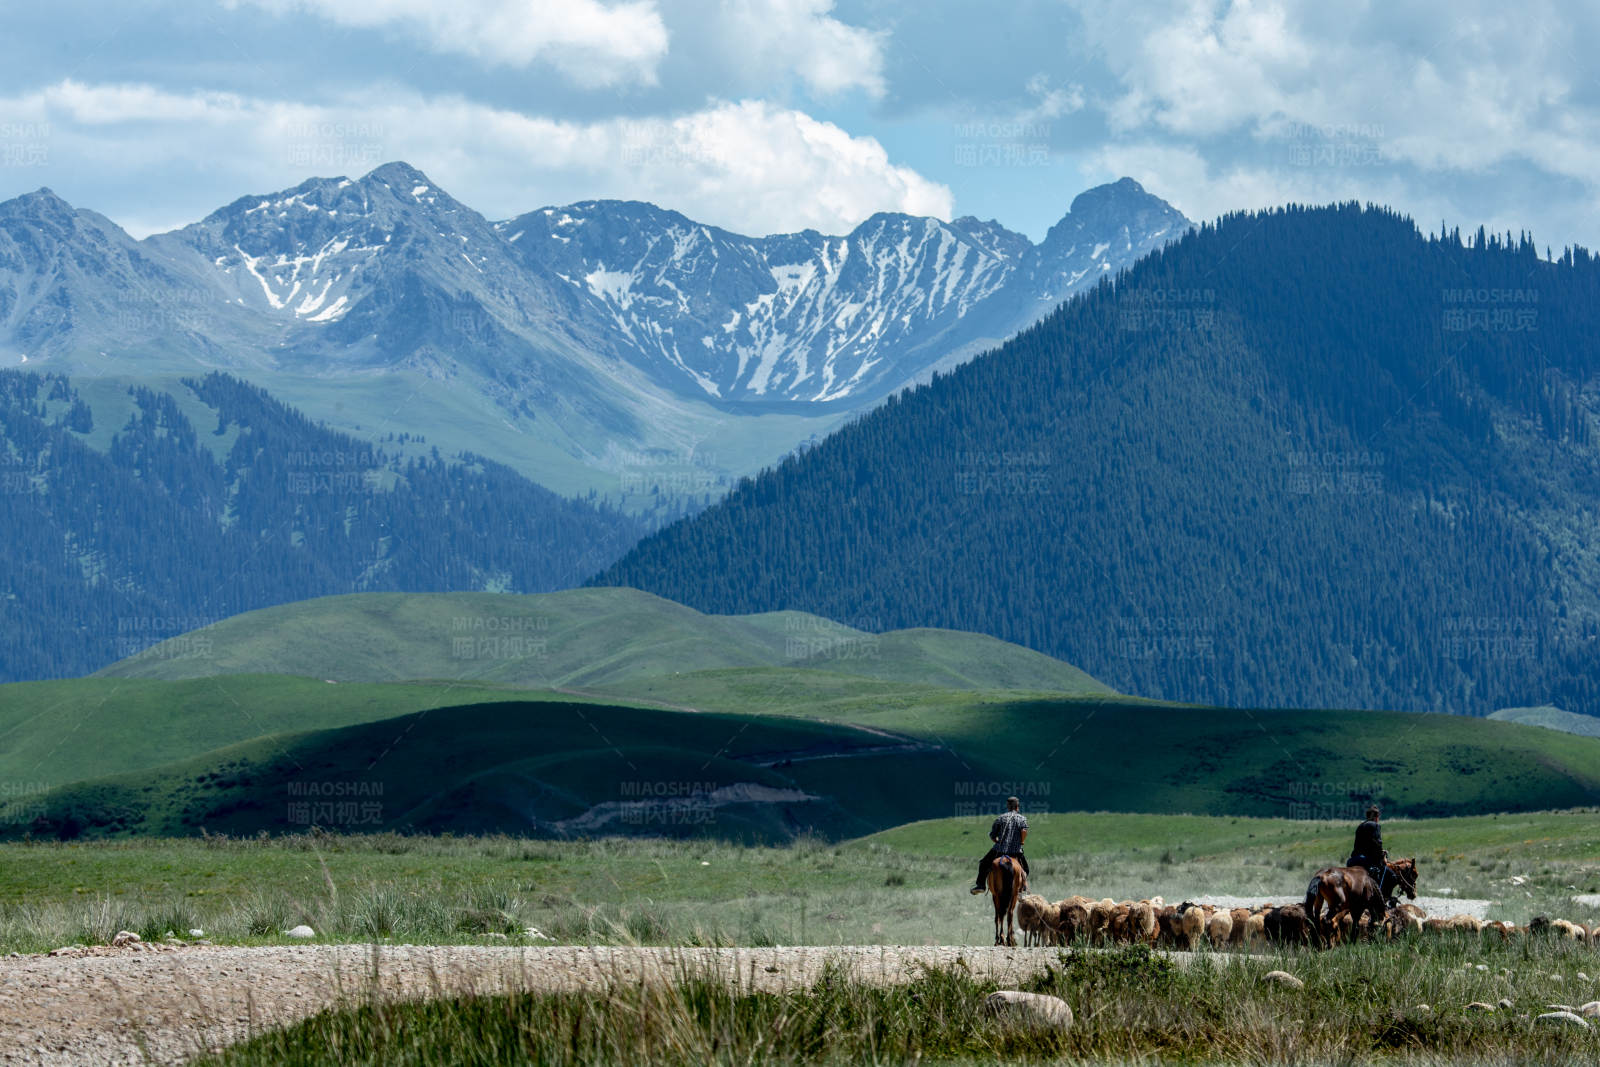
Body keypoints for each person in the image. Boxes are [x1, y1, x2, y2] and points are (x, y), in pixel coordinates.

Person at [970, 796, 1029, 894]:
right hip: (1016, 851)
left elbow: (993, 836)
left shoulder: (1000, 818)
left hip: (999, 850)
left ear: (1008, 806)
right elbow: (1024, 831)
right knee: (1026, 869)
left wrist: (997, 841)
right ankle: (1022, 889)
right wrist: (1022, 841)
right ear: (1017, 807)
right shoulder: (1022, 819)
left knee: (984, 864)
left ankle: (981, 886)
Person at [1346, 804, 1390, 901]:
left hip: (1353, 860)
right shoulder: (1375, 825)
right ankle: (1378, 899)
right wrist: (1382, 856)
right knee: (1388, 874)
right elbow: (1377, 844)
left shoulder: (1360, 826)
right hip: (1365, 861)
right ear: (1376, 817)